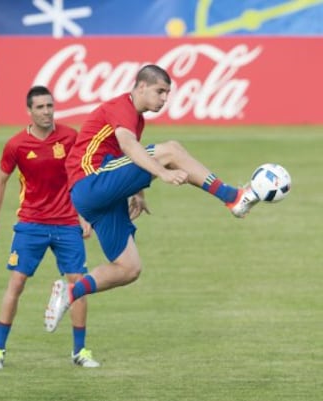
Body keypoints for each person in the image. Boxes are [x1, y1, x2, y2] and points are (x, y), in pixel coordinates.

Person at [44, 64, 259, 332]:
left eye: (167, 93)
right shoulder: (122, 107)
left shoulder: (137, 118)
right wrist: (162, 172)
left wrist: (137, 191)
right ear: (141, 86)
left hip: (99, 195)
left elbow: (125, 157)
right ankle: (233, 197)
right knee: (171, 150)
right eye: (160, 91)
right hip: (91, 181)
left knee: (129, 268)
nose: (164, 99)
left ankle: (70, 292)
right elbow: (128, 146)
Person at [0, 86, 99, 370]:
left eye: (50, 106)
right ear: (29, 111)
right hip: (31, 224)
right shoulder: (16, 145)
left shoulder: (70, 137)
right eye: (40, 107)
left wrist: (84, 215)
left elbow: (82, 174)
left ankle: (80, 351)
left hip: (67, 223)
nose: (47, 111)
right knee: (17, 283)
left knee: (79, 285)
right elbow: (0, 181)